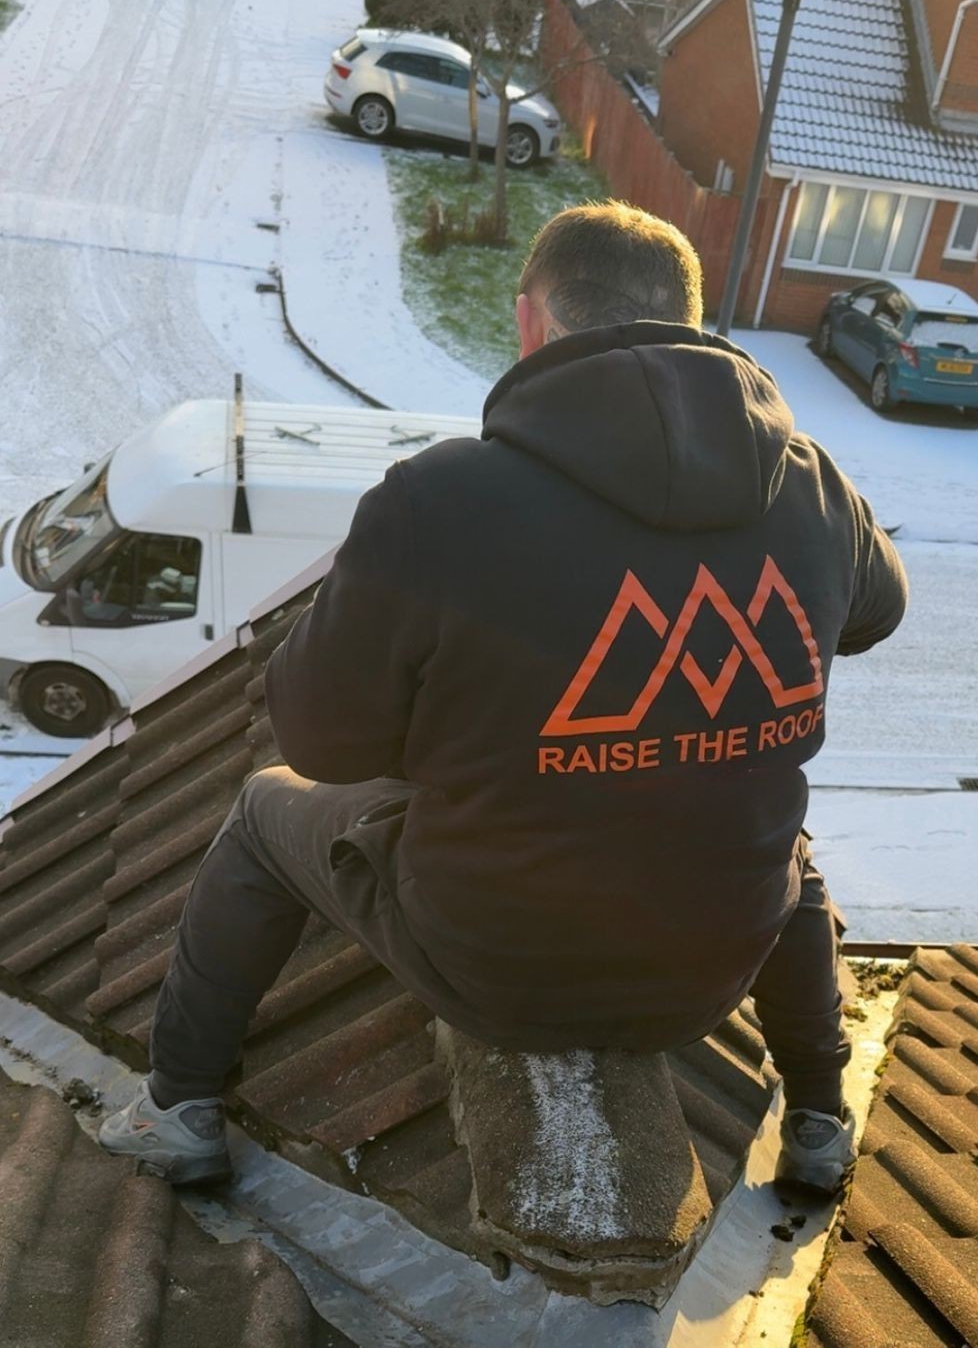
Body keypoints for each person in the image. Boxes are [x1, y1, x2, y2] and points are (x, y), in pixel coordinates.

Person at [100, 203, 907, 1195]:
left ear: (531, 321)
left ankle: (177, 1105)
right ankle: (819, 1119)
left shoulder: (439, 500)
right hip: (710, 973)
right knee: (782, 842)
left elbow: (318, 744)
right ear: (694, 325)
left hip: (493, 970)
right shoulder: (816, 486)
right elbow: (877, 610)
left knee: (266, 805)